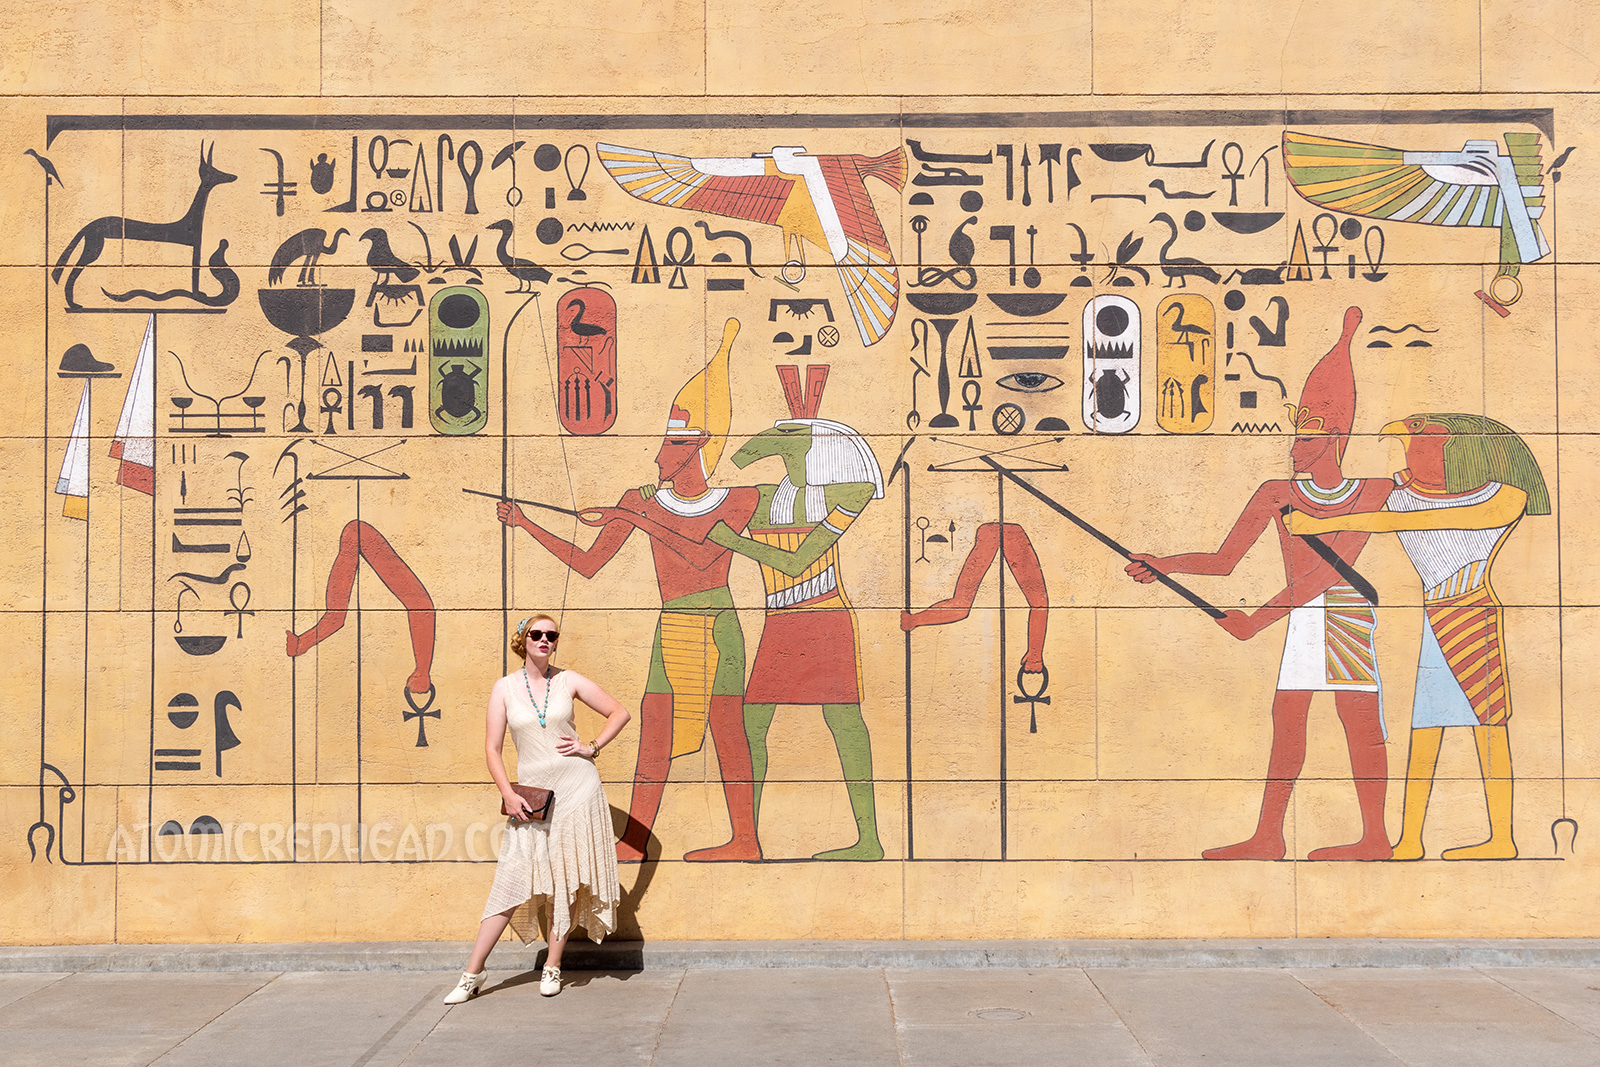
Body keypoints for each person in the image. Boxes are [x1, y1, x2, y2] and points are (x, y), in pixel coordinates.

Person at [1126, 307, 1394, 860]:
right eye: (1297, 431)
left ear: (1335, 435)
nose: (1295, 444)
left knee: (1357, 718)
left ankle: (1374, 838)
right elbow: (1225, 560)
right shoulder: (1277, 490)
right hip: (1300, 611)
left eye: (1308, 433)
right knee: (1288, 716)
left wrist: (1255, 621)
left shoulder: (1370, 493)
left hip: (1341, 608)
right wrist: (1166, 564)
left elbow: (1326, 572)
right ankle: (1269, 835)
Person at [499, 319, 763, 862]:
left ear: (697, 447)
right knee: (656, 728)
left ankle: (746, 840)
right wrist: (527, 524)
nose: (659, 454)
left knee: (727, 727)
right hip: (675, 627)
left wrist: (630, 516)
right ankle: (637, 842)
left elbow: (701, 553)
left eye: (671, 443)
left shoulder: (740, 500)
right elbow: (589, 562)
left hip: (717, 623)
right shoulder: (639, 499)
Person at [1290, 412, 1550, 859]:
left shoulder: (1504, 496)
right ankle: (1410, 839)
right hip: (1436, 616)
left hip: (1473, 615)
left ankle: (1502, 839)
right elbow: (1366, 505)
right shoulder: (1402, 491)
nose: (1407, 448)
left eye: (1421, 440)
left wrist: (1317, 527)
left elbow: (1419, 523)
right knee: (1425, 726)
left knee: (1489, 727)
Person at [444, 614, 630, 1004]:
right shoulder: (504, 688)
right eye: (537, 634)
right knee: (511, 881)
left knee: (567, 878)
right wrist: (508, 793)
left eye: (551, 635)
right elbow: (492, 749)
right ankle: (472, 974)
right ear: (522, 640)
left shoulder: (570, 680)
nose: (545, 639)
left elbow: (620, 712)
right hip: (532, 797)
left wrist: (591, 747)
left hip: (578, 789)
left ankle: (553, 966)